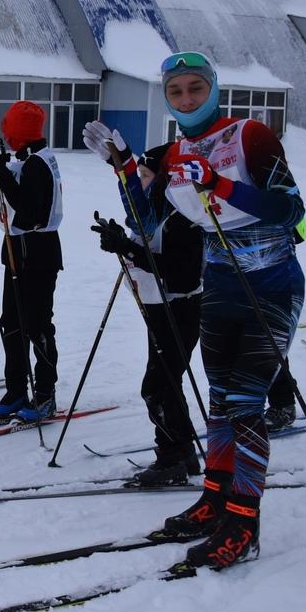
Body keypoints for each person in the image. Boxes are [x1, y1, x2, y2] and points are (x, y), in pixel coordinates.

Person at [107, 51, 306, 570]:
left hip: (270, 282)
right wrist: (127, 167)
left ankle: (244, 522)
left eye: (196, 88)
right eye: (176, 92)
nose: (187, 99)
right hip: (218, 282)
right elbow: (145, 216)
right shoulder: (174, 153)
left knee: (244, 404)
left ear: (213, 89)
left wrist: (218, 183)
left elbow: (290, 208)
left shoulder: (250, 136)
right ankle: (215, 499)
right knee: (219, 401)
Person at [85, 140, 203, 486]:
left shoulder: (185, 217)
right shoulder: (153, 213)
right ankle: (182, 455)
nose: (141, 182)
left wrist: (130, 249)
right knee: (167, 384)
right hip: (158, 308)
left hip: (180, 309)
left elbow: (181, 275)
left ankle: (170, 459)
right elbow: (142, 247)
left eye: (147, 175)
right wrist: (120, 241)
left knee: (157, 387)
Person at [0, 100, 63, 422]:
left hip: (38, 252)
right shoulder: (28, 160)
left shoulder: (38, 164)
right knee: (12, 325)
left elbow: (31, 212)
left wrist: (2, 173)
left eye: (9, 131)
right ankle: (16, 387)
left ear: (18, 133)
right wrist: (4, 169)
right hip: (17, 250)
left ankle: (44, 394)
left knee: (37, 325)